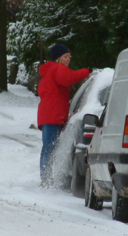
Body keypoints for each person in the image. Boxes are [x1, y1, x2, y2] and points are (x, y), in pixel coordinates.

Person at [37, 44, 90, 187]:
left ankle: (45, 177)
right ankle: (46, 179)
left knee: (48, 147)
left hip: (48, 113)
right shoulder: (57, 68)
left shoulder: (50, 70)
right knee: (50, 147)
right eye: (65, 57)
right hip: (53, 114)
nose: (68, 60)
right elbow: (69, 78)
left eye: (69, 57)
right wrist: (87, 71)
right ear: (58, 58)